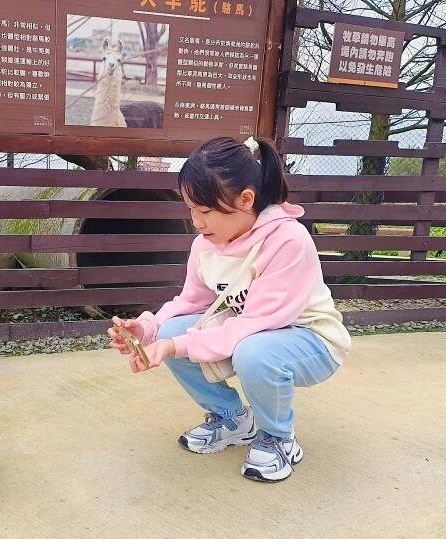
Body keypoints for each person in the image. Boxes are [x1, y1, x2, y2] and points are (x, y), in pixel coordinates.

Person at [108, 136, 350, 482]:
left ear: (245, 199)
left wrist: (177, 346)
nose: (197, 222)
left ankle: (278, 437)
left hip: (312, 342)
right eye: (191, 209)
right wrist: (148, 329)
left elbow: (257, 323)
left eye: (205, 211)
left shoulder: (287, 240)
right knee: (174, 330)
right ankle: (232, 419)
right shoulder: (205, 245)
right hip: (252, 335)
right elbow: (189, 302)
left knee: (253, 352)